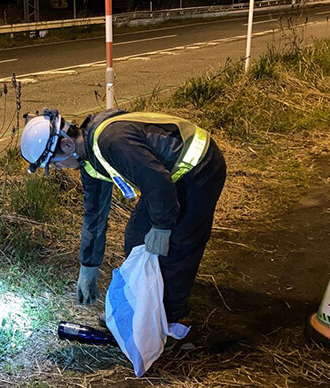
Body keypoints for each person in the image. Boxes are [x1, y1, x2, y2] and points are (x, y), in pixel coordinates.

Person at [20, 107, 226, 325]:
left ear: (67, 145)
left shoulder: (112, 142)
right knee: (137, 237)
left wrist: (162, 227)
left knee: (178, 245)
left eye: (55, 163)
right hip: (167, 176)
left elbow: (156, 183)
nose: (59, 168)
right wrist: (88, 266)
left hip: (199, 166)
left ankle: (166, 319)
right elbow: (95, 214)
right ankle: (140, 306)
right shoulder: (89, 160)